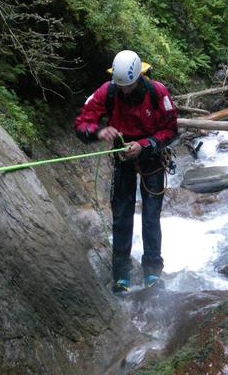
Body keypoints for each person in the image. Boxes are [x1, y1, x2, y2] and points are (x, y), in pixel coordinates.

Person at [74, 50, 178, 293]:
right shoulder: (108, 91)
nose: (125, 91)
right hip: (122, 157)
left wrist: (144, 145)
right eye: (121, 86)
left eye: (129, 86)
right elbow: (82, 123)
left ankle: (152, 272)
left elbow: (171, 130)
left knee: (151, 217)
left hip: (151, 157)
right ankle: (121, 276)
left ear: (139, 77)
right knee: (122, 215)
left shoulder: (157, 92)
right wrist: (98, 132)